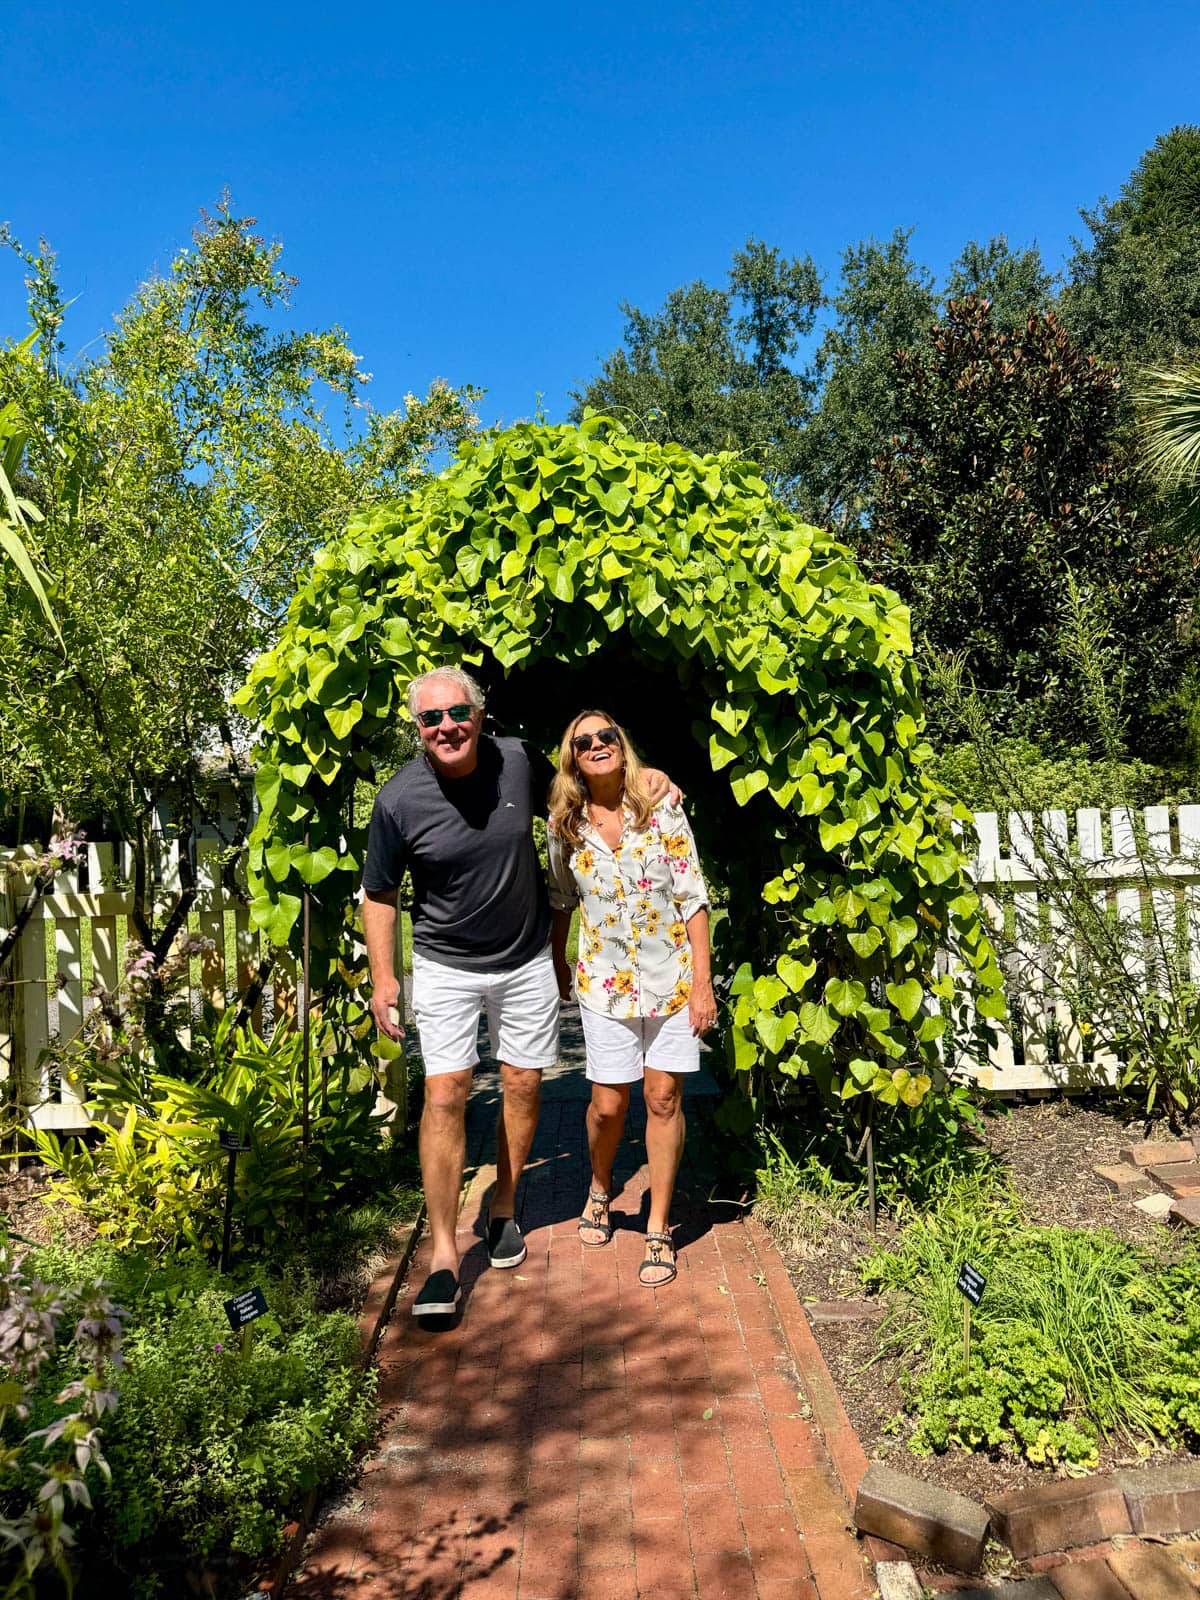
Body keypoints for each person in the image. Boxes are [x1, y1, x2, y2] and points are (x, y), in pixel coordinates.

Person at [363, 668, 675, 1319]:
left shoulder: (515, 763)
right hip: (447, 963)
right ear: (417, 729)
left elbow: (579, 797)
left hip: (527, 958)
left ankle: (504, 1205)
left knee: (524, 1084)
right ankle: (446, 1257)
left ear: (478, 717)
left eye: (457, 713)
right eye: (431, 719)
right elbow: (380, 892)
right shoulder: (397, 800)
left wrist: (646, 782)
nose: (446, 726)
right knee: (446, 1092)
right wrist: (384, 977)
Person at [548, 710, 716, 1288]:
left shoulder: (662, 805)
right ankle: (600, 1185)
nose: (598, 745)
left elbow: (693, 896)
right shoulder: (563, 826)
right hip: (604, 986)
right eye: (584, 741)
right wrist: (556, 961)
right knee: (609, 1106)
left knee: (663, 1098)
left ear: (623, 744)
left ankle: (659, 1226)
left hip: (670, 982)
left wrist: (702, 981)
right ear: (572, 758)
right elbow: (560, 897)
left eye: (607, 736)